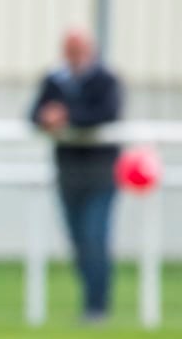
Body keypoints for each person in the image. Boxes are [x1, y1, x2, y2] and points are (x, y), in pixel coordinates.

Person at [30, 28, 123, 323]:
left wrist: (65, 116)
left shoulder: (106, 80)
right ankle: (90, 300)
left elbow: (107, 113)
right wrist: (46, 118)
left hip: (101, 173)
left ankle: (97, 306)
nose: (74, 55)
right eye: (69, 49)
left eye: (79, 49)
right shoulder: (54, 81)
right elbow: (33, 115)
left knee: (96, 237)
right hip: (68, 172)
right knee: (77, 240)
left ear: (90, 50)